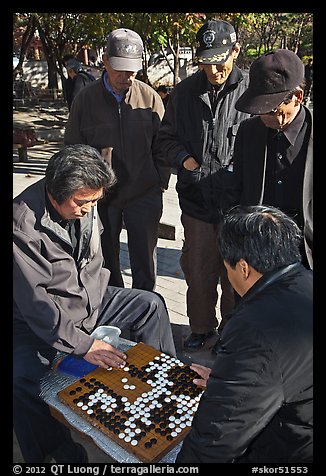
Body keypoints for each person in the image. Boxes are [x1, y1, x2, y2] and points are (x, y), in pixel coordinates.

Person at [13, 144, 176, 463]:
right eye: (82, 202)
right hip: (34, 320)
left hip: (87, 300)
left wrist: (93, 318)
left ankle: (164, 394)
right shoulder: (21, 225)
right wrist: (84, 344)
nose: (89, 209)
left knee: (149, 304)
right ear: (56, 191)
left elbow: (95, 264)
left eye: (95, 201)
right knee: (20, 379)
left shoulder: (85, 202)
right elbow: (37, 305)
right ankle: (57, 454)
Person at [176, 204, 313, 463]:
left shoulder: (255, 326)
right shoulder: (306, 280)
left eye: (226, 269)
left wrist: (234, 386)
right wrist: (231, 376)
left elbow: (218, 438)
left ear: (243, 268)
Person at [157, 19, 251, 352]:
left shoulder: (252, 92)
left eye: (220, 60)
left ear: (236, 51)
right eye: (206, 61)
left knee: (237, 276)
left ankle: (232, 331)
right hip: (196, 203)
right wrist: (186, 161)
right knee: (198, 270)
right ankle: (200, 327)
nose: (213, 68)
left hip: (238, 207)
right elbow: (164, 139)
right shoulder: (183, 92)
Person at [65, 28, 170, 292]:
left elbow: (164, 145)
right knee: (105, 260)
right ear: (105, 61)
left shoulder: (150, 99)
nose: (127, 76)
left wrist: (160, 182)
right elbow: (73, 149)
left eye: (133, 70)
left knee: (145, 262)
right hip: (101, 197)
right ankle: (114, 308)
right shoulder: (85, 101)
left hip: (144, 192)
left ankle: (145, 309)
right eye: (121, 69)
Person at [232, 49, 313, 270]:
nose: (262, 116)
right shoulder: (248, 132)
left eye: (270, 109)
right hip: (257, 250)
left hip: (306, 254)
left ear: (297, 97)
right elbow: (236, 188)